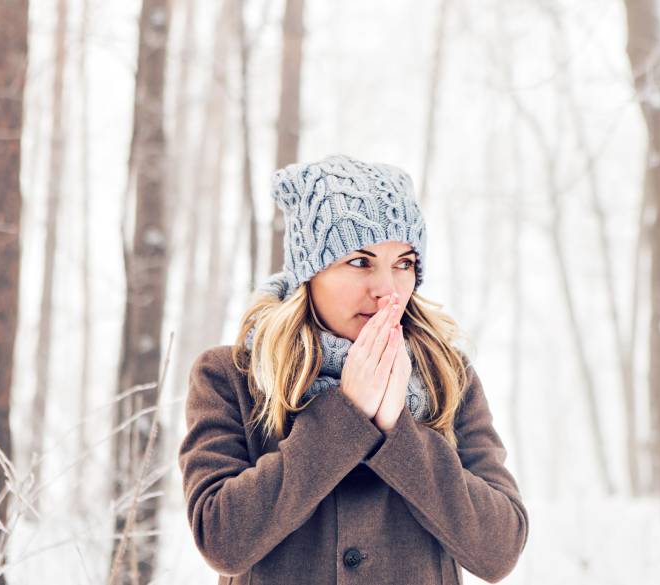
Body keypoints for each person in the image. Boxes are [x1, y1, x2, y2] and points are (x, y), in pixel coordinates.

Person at [178, 154, 529, 584]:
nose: (387, 289)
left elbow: (499, 549)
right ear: (309, 273)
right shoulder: (230, 377)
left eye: (404, 264)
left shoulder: (448, 377)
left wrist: (397, 431)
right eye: (360, 262)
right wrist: (347, 414)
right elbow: (223, 540)